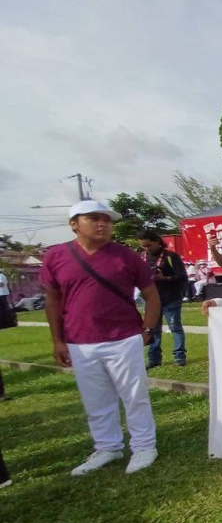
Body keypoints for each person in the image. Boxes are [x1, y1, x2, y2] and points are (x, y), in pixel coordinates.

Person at [41, 199, 160, 476]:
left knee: (134, 395)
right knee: (95, 399)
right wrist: (57, 340)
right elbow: (53, 300)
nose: (102, 223)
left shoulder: (126, 256)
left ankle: (144, 445)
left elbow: (151, 296)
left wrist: (147, 329)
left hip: (123, 336)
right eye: (93, 218)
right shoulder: (55, 256)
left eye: (107, 219)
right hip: (79, 340)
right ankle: (108, 446)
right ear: (74, 224)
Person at [138, 230, 187, 369]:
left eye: (149, 245)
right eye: (143, 246)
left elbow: (182, 276)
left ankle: (180, 357)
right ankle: (154, 359)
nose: (146, 249)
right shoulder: (141, 257)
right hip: (151, 300)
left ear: (158, 242)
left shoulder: (171, 256)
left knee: (175, 328)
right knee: (153, 329)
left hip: (171, 298)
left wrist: (165, 278)